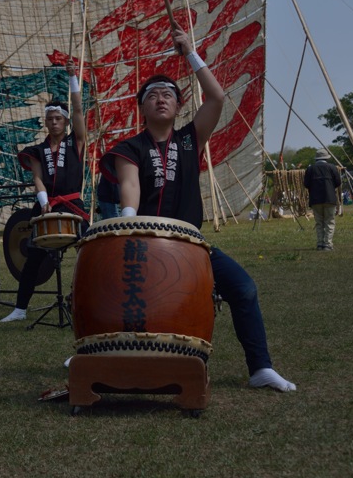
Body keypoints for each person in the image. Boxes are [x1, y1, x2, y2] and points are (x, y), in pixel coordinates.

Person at [100, 25, 296, 393]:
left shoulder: (191, 138)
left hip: (190, 243)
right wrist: (127, 223)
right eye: (153, 95)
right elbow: (130, 185)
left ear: (178, 106)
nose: (161, 99)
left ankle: (260, 368)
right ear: (141, 107)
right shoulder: (129, 147)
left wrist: (190, 52)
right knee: (125, 298)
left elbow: (218, 97)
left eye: (169, 95)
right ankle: (99, 354)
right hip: (142, 242)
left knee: (244, 289)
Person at [0, 61, 88, 323]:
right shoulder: (37, 150)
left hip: (73, 205)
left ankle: (89, 299)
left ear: (65, 121)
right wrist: (43, 202)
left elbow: (80, 109)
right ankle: (20, 308)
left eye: (58, 118)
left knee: (87, 250)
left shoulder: (77, 142)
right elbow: (37, 177)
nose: (53, 122)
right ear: (46, 121)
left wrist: (73, 78)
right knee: (33, 257)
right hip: (46, 204)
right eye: (49, 118)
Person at [304, 148, 341, 251]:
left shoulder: (310, 169)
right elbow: (338, 182)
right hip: (329, 199)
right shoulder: (332, 168)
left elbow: (306, 184)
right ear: (326, 158)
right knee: (329, 221)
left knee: (319, 222)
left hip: (315, 199)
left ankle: (320, 243)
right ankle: (328, 244)